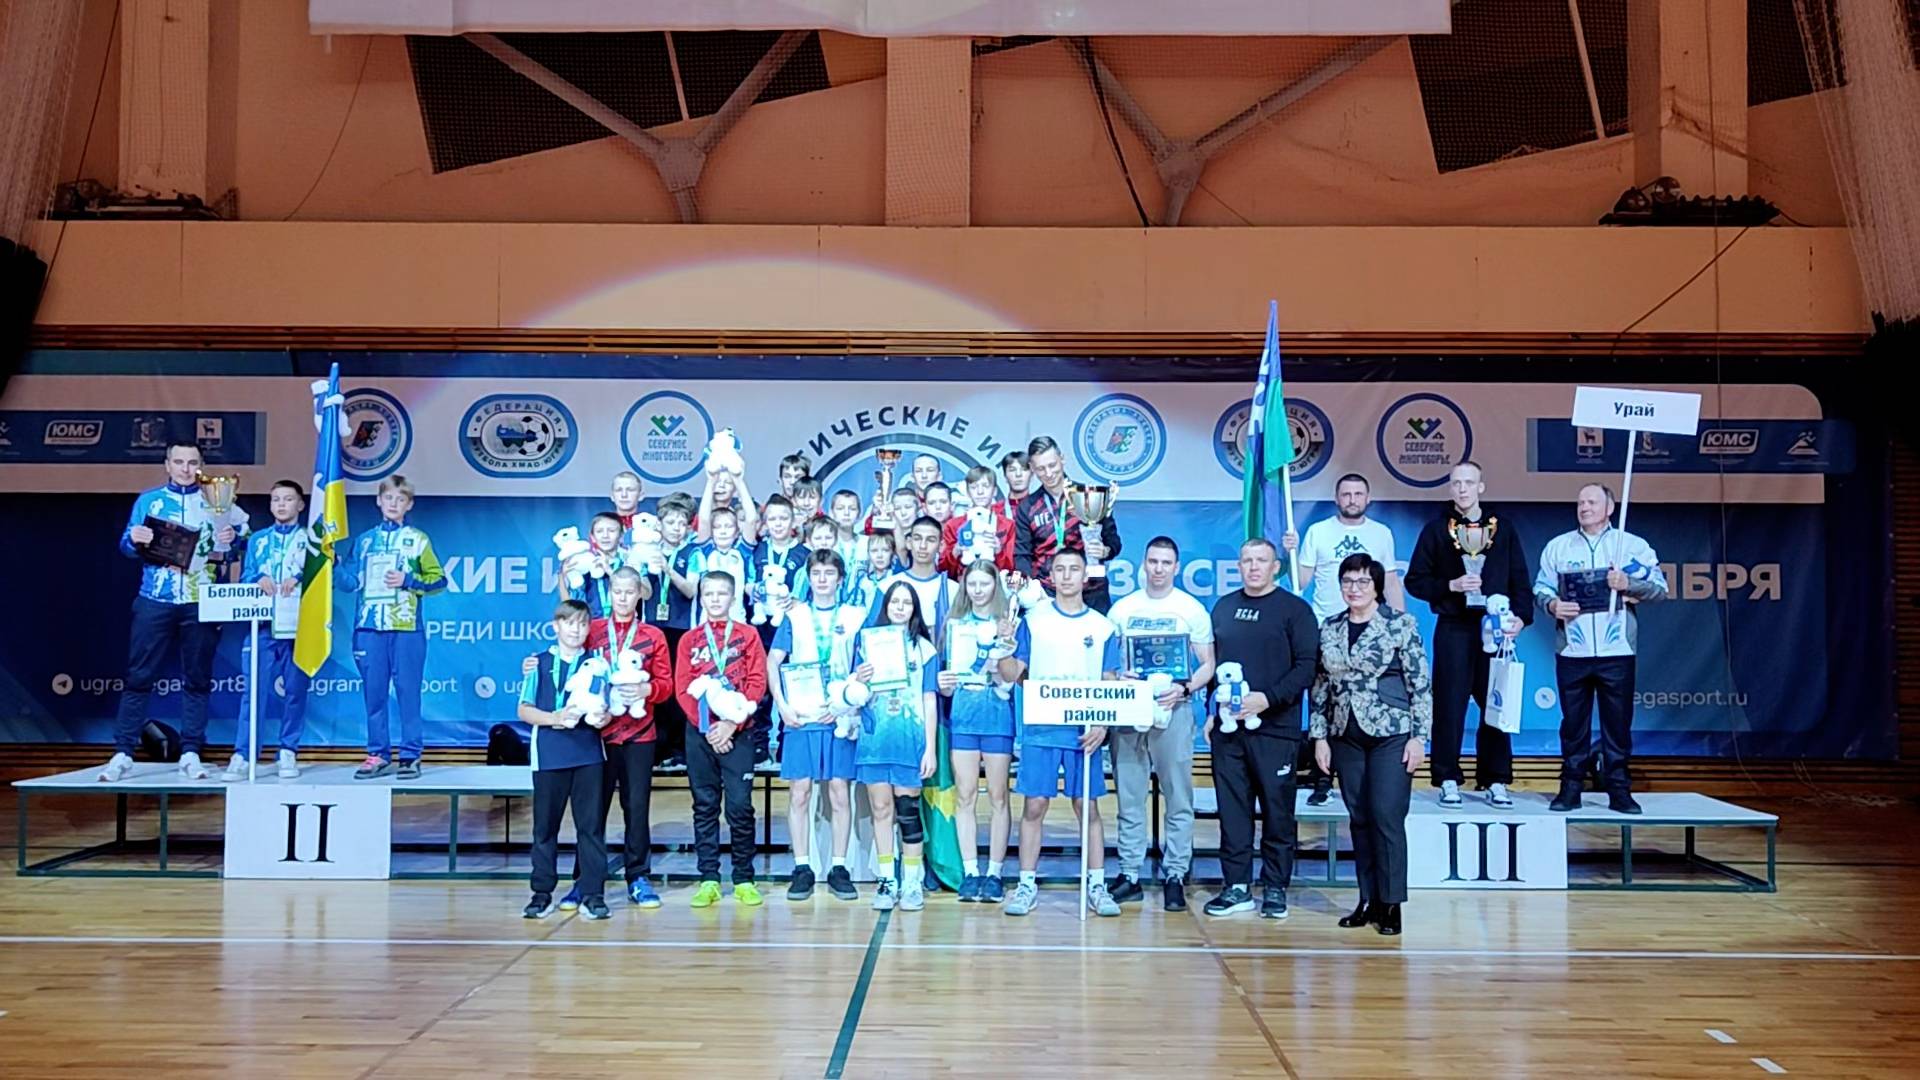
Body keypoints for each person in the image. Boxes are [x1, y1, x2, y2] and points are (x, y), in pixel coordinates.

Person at [101, 441, 249, 782]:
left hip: (201, 602)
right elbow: (126, 547)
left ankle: (191, 752)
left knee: (197, 678)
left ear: (200, 465)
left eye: (192, 462)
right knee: (139, 676)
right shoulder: (149, 501)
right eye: (179, 462)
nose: (185, 468)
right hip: (155, 598)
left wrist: (233, 540)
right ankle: (123, 752)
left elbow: (240, 548)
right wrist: (134, 538)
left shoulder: (218, 501)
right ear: (167, 465)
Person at [1310, 554, 1431, 937]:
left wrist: (1419, 737)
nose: (1354, 588)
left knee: (1386, 815)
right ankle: (1367, 899)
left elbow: (1420, 684)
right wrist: (1320, 737)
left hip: (1391, 732)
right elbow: (1321, 685)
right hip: (1345, 733)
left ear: (1377, 586)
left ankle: (1391, 903)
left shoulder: (1400, 624)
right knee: (1359, 817)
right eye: (1348, 581)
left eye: (1362, 581)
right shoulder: (1330, 627)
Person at [998, 549, 1124, 919]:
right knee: (1035, 805)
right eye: (1060, 570)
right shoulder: (1033, 621)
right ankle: (1026, 884)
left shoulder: (1102, 627)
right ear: (1050, 577)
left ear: (1086, 577)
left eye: (1074, 569)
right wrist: (1003, 646)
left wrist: (1102, 723)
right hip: (1041, 726)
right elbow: (1012, 674)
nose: (1067, 576)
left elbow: (1109, 679)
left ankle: (1097, 885)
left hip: (1084, 730)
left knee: (1087, 806)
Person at [1533, 483, 1668, 815]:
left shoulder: (1631, 546)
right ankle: (1571, 788)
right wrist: (1552, 605)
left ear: (1609, 508)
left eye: (1592, 502)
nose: (1584, 507)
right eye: (1580, 502)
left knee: (1617, 724)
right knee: (1573, 724)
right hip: (1573, 651)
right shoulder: (1558, 547)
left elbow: (1660, 589)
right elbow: (1541, 588)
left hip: (1616, 650)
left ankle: (1619, 789)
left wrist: (1628, 583)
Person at [1404, 461, 1532, 809]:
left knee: (1496, 703)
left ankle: (1496, 779)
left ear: (1481, 487)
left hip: (1496, 629)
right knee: (1449, 704)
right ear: (1450, 488)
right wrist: (1451, 585)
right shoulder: (1436, 530)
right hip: (1454, 627)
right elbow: (1415, 581)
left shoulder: (1502, 529)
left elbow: (1520, 579)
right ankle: (1447, 777)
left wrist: (1521, 619)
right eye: (1456, 483)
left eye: (1469, 482)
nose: (1462, 489)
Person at [1205, 538, 1318, 920]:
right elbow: (1215, 668)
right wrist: (1211, 711)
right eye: (1247, 560)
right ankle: (1237, 886)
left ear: (1276, 567)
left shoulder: (1295, 610)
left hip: (1276, 730)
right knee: (1232, 811)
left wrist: (1267, 699)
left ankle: (1274, 887)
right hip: (1228, 732)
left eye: (1261, 560)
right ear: (1238, 566)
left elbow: (1306, 668)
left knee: (1277, 811)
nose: (1254, 567)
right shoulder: (1224, 608)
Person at [1106, 536, 1216, 912]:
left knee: (1178, 796)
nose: (1158, 569)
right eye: (1153, 561)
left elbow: (1208, 664)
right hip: (1129, 711)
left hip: (1174, 710)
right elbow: (1109, 664)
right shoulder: (1123, 609)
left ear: (1176, 567)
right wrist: (1118, 678)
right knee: (1129, 796)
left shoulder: (1191, 609)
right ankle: (1130, 873)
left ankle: (1175, 874)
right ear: (1144, 563)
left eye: (1166, 563)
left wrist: (1185, 688)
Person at [1282, 472, 1404, 804]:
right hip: (1327, 631)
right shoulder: (1318, 531)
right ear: (1337, 499)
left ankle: (1359, 772)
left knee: (1361, 705)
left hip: (1370, 634)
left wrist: (1400, 624)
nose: (1352, 499)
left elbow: (1391, 582)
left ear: (1368, 498)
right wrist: (1289, 554)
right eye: (1346, 494)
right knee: (1322, 701)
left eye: (1358, 494)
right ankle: (1321, 777)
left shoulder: (1381, 533)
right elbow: (1300, 580)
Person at [769, 549, 866, 902]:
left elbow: (864, 666)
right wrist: (782, 705)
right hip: (802, 714)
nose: (822, 579)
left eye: (829, 573)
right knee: (800, 792)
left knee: (839, 792)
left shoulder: (855, 616)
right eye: (816, 573)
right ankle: (802, 867)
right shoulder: (794, 616)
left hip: (839, 715)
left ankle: (839, 867)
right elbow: (773, 660)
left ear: (840, 578)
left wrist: (846, 703)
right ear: (808, 578)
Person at [338, 474, 446, 781]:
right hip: (368, 627)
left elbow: (439, 580)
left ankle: (410, 755)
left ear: (409, 505)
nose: (393, 504)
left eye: (400, 499)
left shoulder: (418, 540)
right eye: (388, 498)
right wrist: (332, 565)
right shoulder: (364, 541)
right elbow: (349, 584)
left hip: (405, 628)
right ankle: (378, 754)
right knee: (374, 694)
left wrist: (408, 580)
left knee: (408, 693)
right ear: (378, 501)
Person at [578, 568, 674, 909]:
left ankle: (638, 876)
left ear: (639, 595)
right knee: (592, 809)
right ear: (609, 593)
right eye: (617, 591)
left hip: (639, 734)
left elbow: (667, 685)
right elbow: (569, 663)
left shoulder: (653, 635)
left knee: (637, 807)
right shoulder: (592, 631)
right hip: (597, 734)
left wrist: (648, 690)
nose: (622, 597)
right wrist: (536, 663)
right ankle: (585, 878)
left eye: (629, 591)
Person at [674, 571, 769, 907]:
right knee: (705, 806)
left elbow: (757, 682)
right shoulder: (689, 640)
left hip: (738, 732)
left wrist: (731, 723)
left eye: (721, 593)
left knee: (740, 807)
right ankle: (709, 879)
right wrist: (709, 729)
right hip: (700, 733)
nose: (715, 599)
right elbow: (683, 688)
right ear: (701, 598)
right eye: (709, 594)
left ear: (733, 598)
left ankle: (744, 878)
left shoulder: (748, 635)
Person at [848, 581, 941, 912]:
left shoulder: (925, 650)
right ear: (885, 606)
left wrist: (930, 749)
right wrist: (858, 678)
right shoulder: (866, 644)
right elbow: (853, 692)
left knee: (908, 812)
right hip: (875, 739)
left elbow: (929, 700)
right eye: (894, 602)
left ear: (914, 609)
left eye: (906, 603)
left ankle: (912, 882)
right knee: (881, 809)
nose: (900, 608)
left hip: (909, 740)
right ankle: (887, 881)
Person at [518, 600, 612, 920]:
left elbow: (605, 707)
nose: (576, 629)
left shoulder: (597, 664)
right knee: (545, 828)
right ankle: (541, 893)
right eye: (569, 623)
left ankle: (593, 894)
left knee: (591, 828)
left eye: (583, 624)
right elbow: (524, 709)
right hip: (549, 755)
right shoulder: (538, 663)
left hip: (588, 755)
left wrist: (603, 718)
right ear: (555, 626)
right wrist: (554, 718)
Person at [938, 560, 1018, 904]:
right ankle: (971, 872)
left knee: (999, 796)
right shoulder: (955, 625)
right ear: (964, 586)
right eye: (972, 584)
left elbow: (1014, 675)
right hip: (964, 717)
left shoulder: (1008, 624)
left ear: (995, 585)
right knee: (965, 795)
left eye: (985, 583)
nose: (978, 590)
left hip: (997, 716)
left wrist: (1005, 647)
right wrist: (944, 684)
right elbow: (945, 683)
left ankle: (995, 873)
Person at [222, 479, 312, 781]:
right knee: (253, 692)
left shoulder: (311, 541)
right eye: (276, 500)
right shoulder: (259, 540)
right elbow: (245, 576)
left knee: (295, 692)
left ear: (300, 504)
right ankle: (244, 754)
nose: (281, 504)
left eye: (288, 499)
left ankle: (288, 750)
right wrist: (258, 577)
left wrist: (301, 577)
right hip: (262, 627)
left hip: (299, 628)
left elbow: (324, 579)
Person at [1012, 435, 1122, 613]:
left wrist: (1105, 551)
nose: (1048, 473)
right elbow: (1022, 554)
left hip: (1091, 592)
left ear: (1062, 459)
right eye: (1040, 468)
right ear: (1031, 468)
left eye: (1052, 465)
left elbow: (1113, 541)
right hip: (1048, 595)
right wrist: (1029, 589)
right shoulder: (1027, 507)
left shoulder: (1089, 496)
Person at [651, 492, 698, 770]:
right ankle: (659, 748)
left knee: (679, 688)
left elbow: (691, 590)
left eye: (682, 523)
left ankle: (680, 749)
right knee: (657, 688)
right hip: (652, 628)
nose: (676, 528)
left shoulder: (693, 553)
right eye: (670, 523)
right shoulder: (647, 550)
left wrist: (667, 569)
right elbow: (643, 592)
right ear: (660, 525)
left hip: (681, 628)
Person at [878, 516, 959, 633]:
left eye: (930, 540)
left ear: (941, 546)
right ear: (909, 543)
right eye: (917, 539)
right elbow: (871, 632)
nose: (923, 546)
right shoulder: (886, 585)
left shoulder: (954, 590)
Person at [679, 505, 754, 625]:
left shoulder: (742, 552)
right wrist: (710, 490)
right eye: (717, 527)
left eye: (728, 526)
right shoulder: (706, 551)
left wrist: (741, 491)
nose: (723, 531)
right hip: (706, 622)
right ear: (711, 531)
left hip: (737, 621)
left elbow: (751, 519)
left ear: (736, 532)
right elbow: (703, 520)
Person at [939, 467, 1016, 579]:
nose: (980, 492)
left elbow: (1011, 570)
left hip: (997, 583)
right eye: (974, 487)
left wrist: (998, 551)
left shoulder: (1007, 525)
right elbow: (943, 571)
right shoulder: (953, 526)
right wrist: (956, 551)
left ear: (994, 491)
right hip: (962, 583)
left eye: (986, 486)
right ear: (968, 492)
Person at [566, 511, 628, 616]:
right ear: (593, 537)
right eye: (599, 531)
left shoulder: (629, 560)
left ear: (621, 535)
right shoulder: (586, 563)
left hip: (624, 623)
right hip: (592, 623)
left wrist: (609, 571)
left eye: (611, 531)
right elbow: (572, 603)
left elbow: (640, 592)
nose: (605, 536)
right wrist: (565, 577)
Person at [695, 469, 759, 545]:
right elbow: (704, 522)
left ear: (735, 489)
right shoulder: (700, 518)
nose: (721, 485)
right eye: (717, 481)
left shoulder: (738, 517)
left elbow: (751, 521)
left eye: (728, 482)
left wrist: (738, 479)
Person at [608, 470, 645, 538]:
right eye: (618, 490)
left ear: (641, 496)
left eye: (630, 490)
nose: (624, 495)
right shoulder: (603, 525)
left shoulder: (651, 524)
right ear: (612, 496)